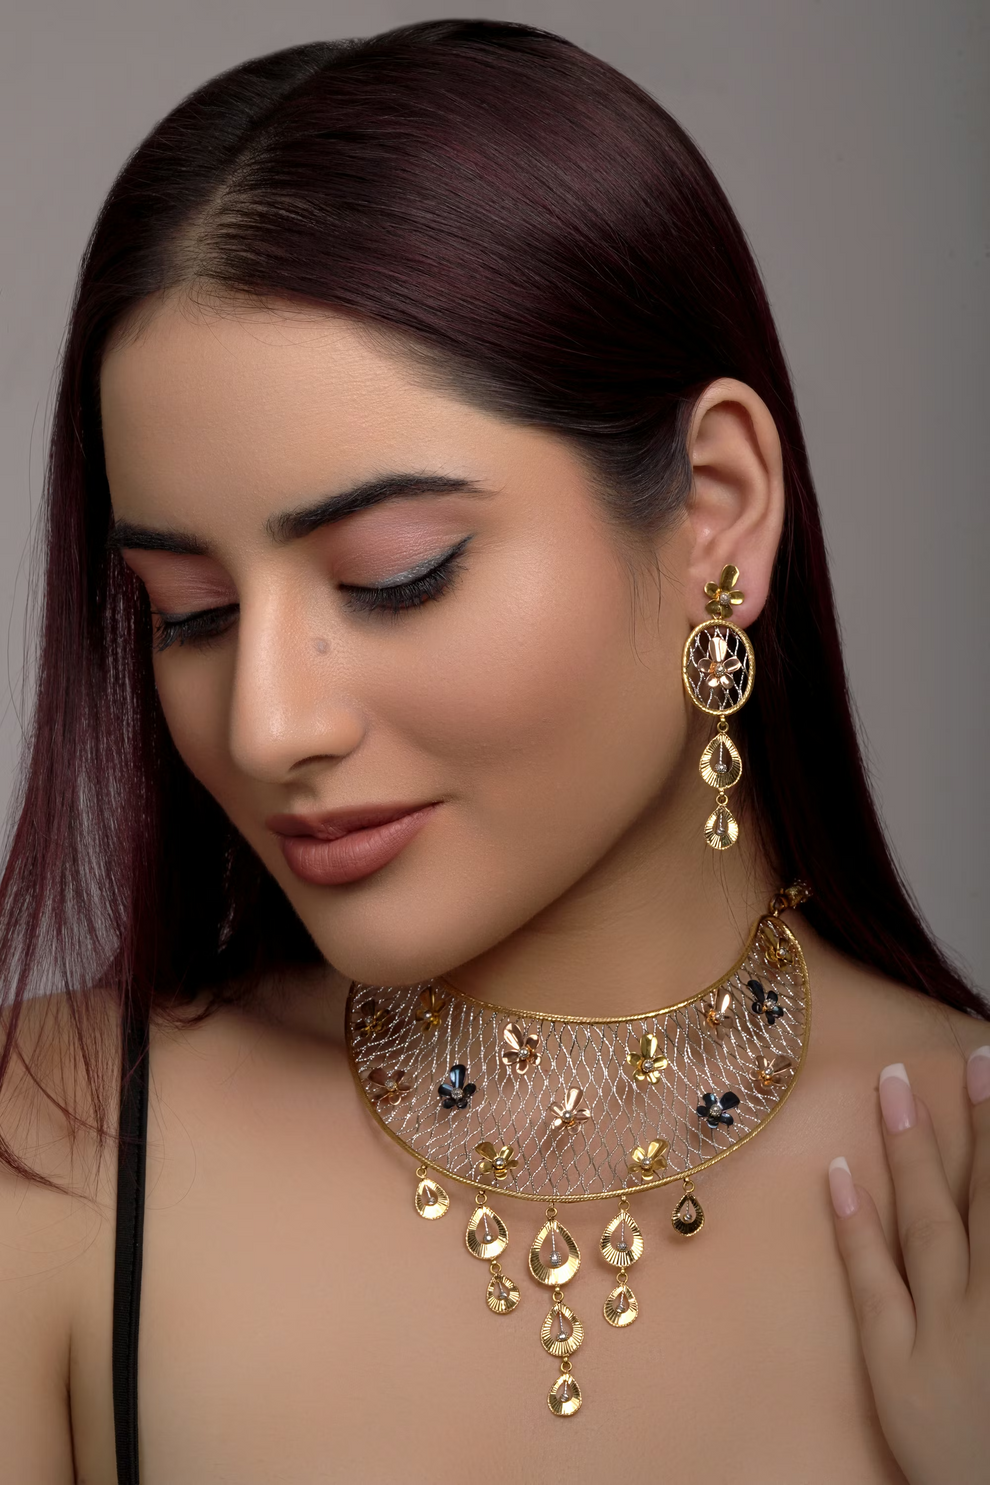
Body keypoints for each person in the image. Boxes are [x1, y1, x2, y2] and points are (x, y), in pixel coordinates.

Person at [0, 18, 985, 1483]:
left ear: (715, 506)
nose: (268, 725)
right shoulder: (57, 1148)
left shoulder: (962, 1182)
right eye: (190, 614)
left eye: (395, 574)